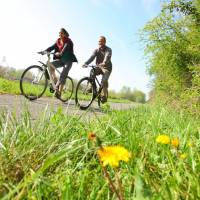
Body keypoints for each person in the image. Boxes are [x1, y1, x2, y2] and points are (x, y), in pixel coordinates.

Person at [42, 28, 77, 98]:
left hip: (69, 61)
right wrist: (44, 51)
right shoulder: (58, 41)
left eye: (61, 33)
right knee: (50, 66)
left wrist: (60, 53)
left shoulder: (68, 41)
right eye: (59, 33)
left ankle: (59, 93)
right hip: (61, 60)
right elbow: (51, 47)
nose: (60, 34)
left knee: (63, 75)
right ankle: (55, 80)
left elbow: (65, 47)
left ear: (65, 34)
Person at [82, 36, 112, 103]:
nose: (100, 42)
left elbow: (107, 56)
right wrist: (86, 63)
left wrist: (104, 62)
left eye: (101, 41)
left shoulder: (108, 49)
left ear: (105, 42)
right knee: (92, 71)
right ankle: (92, 88)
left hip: (107, 68)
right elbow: (92, 57)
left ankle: (104, 96)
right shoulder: (96, 50)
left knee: (104, 81)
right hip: (99, 67)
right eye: (99, 41)